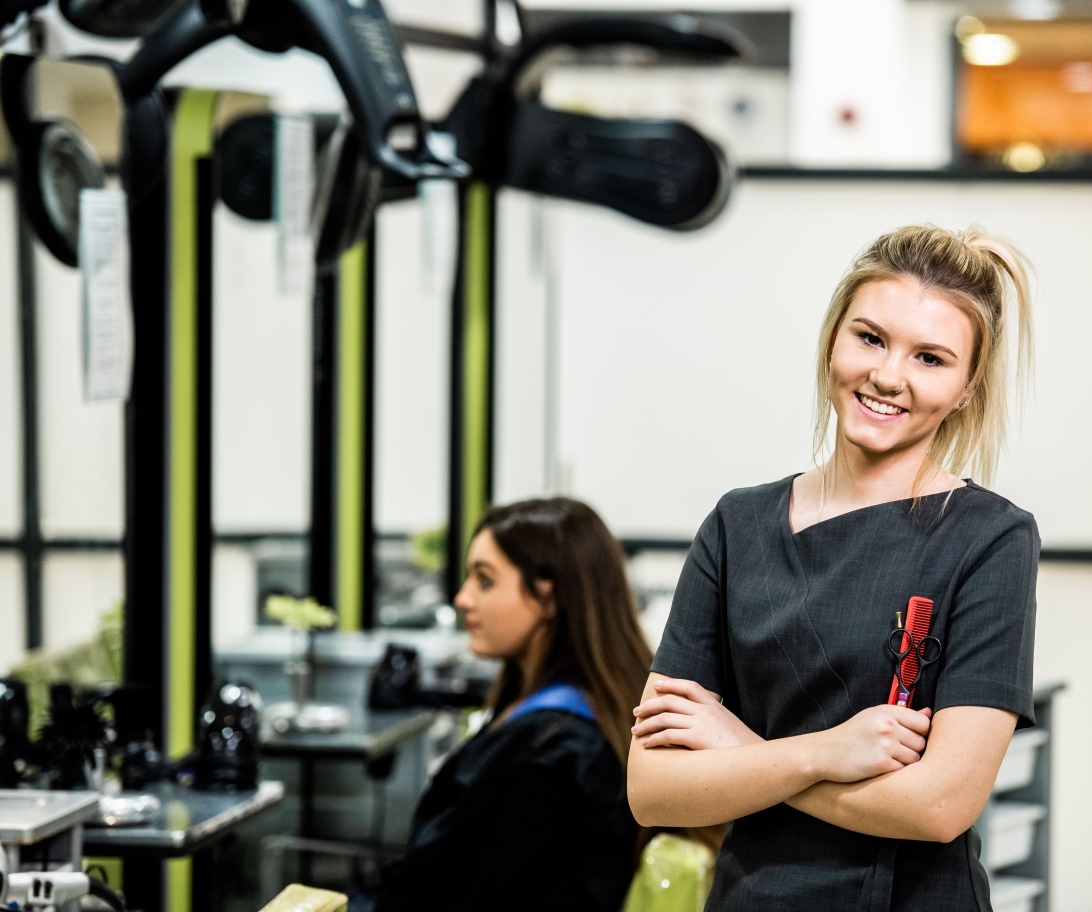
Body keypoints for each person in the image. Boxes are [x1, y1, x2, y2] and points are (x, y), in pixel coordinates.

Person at [627, 224, 1040, 912]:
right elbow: (653, 789)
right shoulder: (737, 526)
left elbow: (940, 805)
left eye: (931, 358)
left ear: (968, 388)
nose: (887, 375)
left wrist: (739, 750)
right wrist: (820, 753)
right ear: (832, 339)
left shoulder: (991, 538)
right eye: (870, 338)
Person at [358, 497, 654, 912]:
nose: (463, 599)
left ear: (549, 596)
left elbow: (444, 895)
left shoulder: (545, 755)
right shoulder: (587, 715)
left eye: (485, 580)